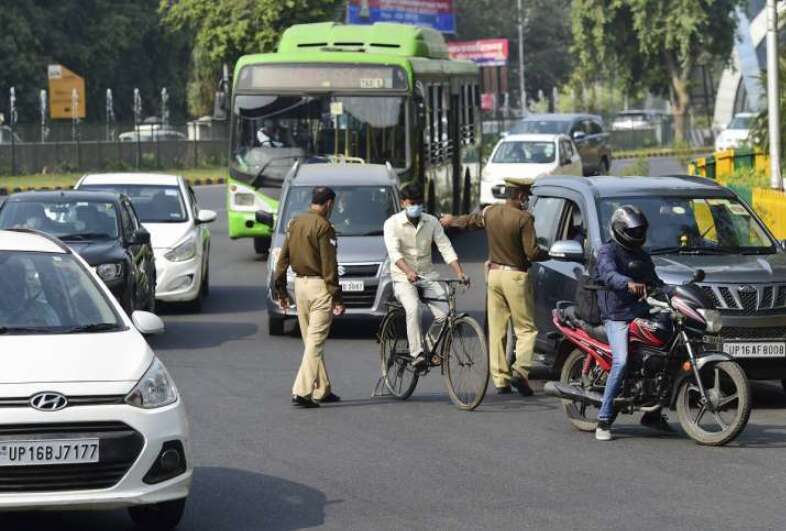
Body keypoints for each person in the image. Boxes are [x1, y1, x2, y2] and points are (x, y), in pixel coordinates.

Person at [441, 176, 546, 395]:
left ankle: (500, 381)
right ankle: (521, 371)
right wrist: (548, 252)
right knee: (526, 329)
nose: (526, 199)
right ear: (518, 195)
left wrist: (451, 221)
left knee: (497, 329)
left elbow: (469, 221)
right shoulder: (524, 219)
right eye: (525, 195)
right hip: (516, 277)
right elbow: (532, 253)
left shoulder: (490, 212)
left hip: (494, 275)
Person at [594, 205, 672, 441]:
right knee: (622, 360)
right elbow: (609, 275)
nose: (638, 236)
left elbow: (655, 282)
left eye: (641, 232)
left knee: (665, 353)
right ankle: (604, 420)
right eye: (634, 232)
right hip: (616, 314)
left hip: (640, 311)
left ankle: (653, 414)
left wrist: (677, 292)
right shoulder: (607, 251)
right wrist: (627, 282)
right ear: (620, 230)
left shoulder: (642, 256)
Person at [273, 186, 345, 408]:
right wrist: (337, 298)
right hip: (319, 288)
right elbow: (329, 266)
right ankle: (302, 391)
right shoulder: (324, 226)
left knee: (312, 341)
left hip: (300, 287)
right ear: (329, 203)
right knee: (315, 341)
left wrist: (281, 290)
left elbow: (282, 259)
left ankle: (321, 389)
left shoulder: (295, 222)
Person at [383, 183, 467, 369]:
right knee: (413, 309)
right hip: (403, 277)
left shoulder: (431, 221)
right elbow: (394, 253)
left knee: (445, 314)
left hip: (428, 275)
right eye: (412, 203)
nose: (416, 207)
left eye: (419, 203)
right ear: (404, 203)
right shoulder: (392, 224)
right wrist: (408, 272)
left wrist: (460, 272)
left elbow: (445, 247)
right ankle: (417, 354)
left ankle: (428, 347)